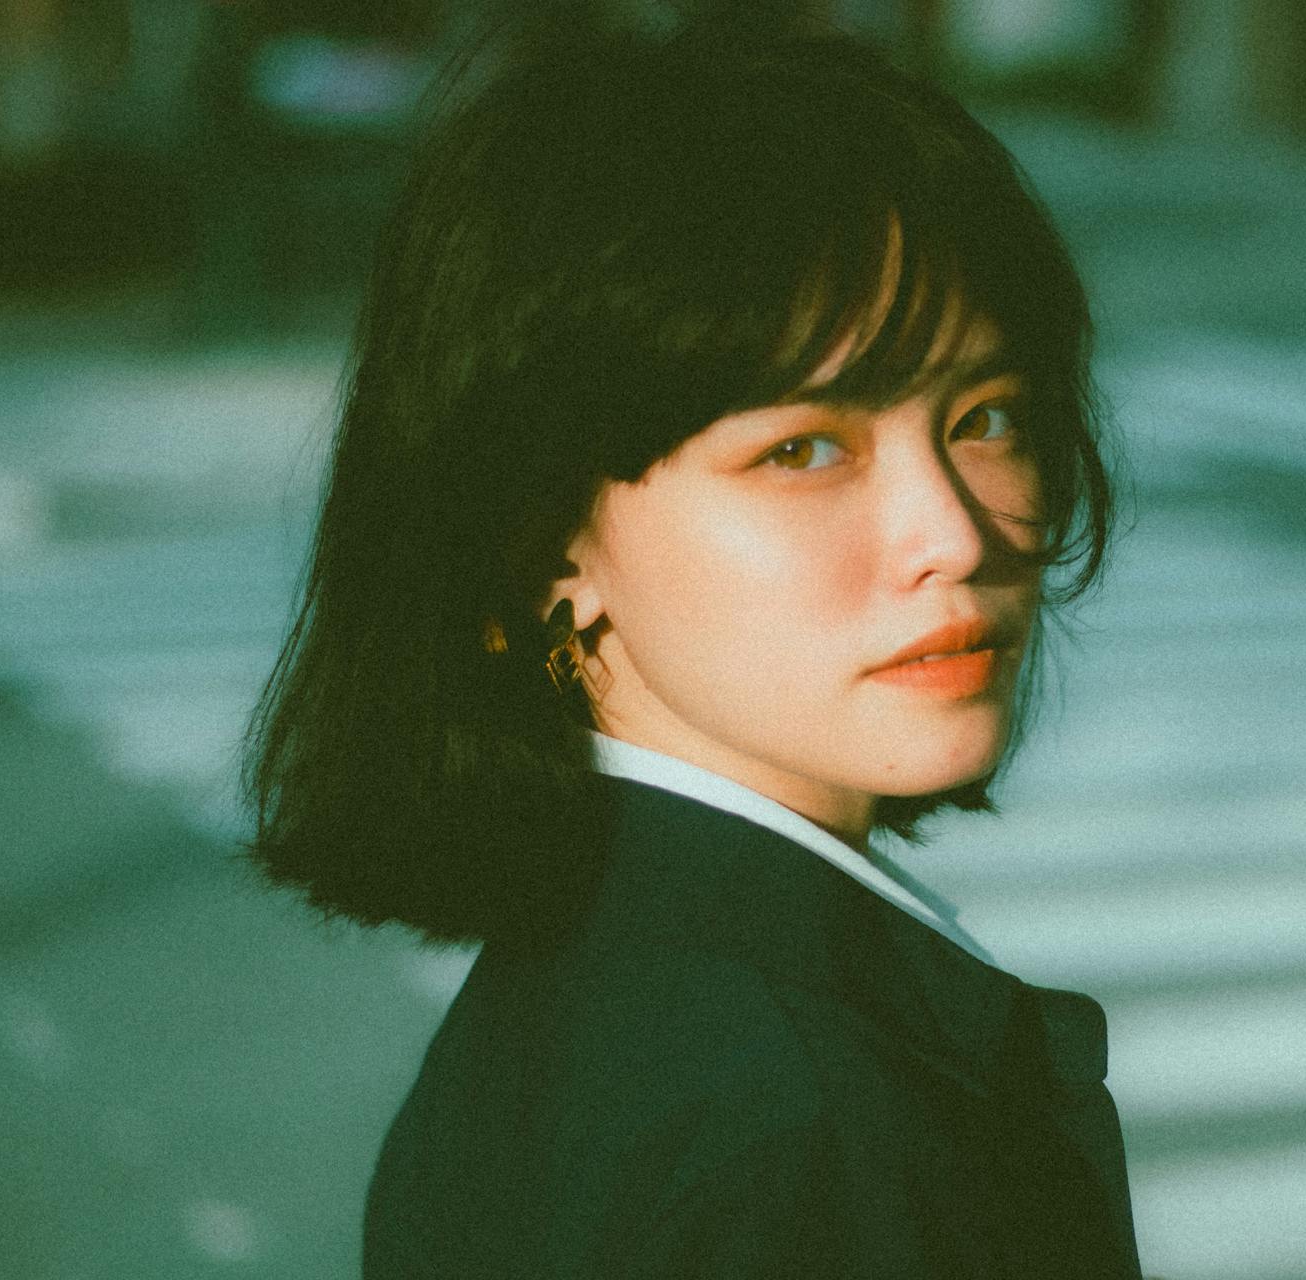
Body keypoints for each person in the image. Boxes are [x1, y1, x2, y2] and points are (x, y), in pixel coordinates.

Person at [242, 5, 1139, 1276]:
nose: (953, 532)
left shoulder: (590, 981)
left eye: (986, 414)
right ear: (543, 541)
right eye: (802, 448)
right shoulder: (794, 1132)